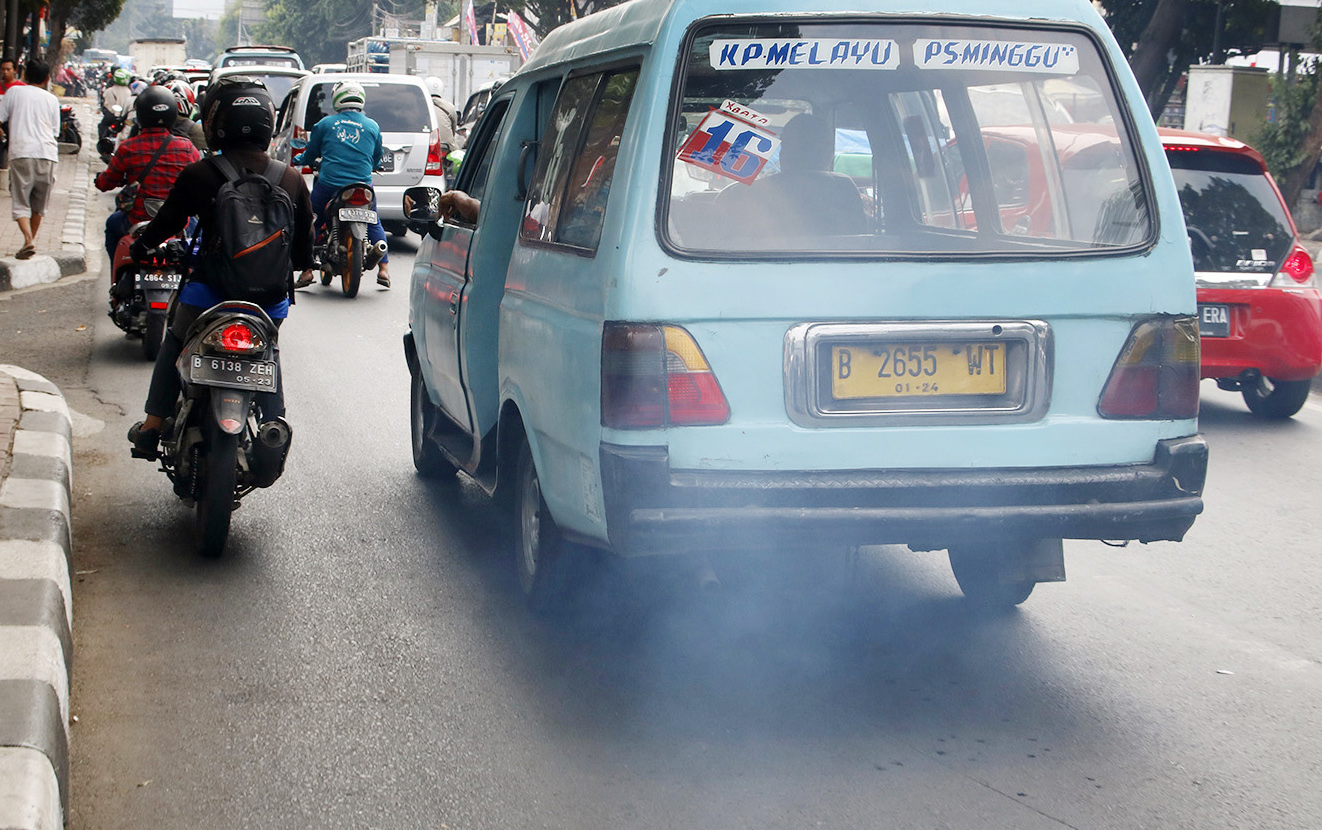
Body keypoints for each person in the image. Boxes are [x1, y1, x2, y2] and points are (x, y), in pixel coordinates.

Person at [127, 77, 315, 458]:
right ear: (267, 121)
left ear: (217, 123)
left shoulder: (202, 173)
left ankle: (152, 425)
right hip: (269, 302)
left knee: (175, 343)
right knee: (268, 354)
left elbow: (167, 222)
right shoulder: (291, 178)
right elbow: (303, 246)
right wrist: (295, 267)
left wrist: (142, 247)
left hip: (208, 296)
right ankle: (272, 425)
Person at [94, 84, 200, 278]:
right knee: (199, 238)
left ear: (141, 115)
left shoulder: (128, 148)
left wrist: (101, 180)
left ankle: (117, 279)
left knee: (112, 225)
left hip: (136, 221)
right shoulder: (187, 148)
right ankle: (194, 279)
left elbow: (105, 183)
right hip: (178, 224)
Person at [295, 80, 392, 288]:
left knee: (310, 219)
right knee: (374, 222)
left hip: (330, 184)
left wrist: (300, 159)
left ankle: (306, 270)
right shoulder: (373, 126)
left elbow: (311, 153)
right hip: (363, 186)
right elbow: (377, 157)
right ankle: (384, 270)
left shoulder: (325, 124)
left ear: (337, 98)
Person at [0, 60, 60, 259]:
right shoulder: (52, 99)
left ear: (24, 76)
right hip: (48, 154)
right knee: (38, 205)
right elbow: (55, 132)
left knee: (20, 200)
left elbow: (1, 117)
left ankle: (29, 240)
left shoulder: (14, 93)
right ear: (47, 78)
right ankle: (29, 242)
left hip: (21, 152)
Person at [425, 76, 461, 153]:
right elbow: (453, 129)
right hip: (447, 147)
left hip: (426, 146)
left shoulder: (420, 105)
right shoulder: (449, 107)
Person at [99, 67, 132, 140]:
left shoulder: (110, 90)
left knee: (102, 127)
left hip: (112, 116)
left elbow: (107, 105)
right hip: (125, 118)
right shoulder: (129, 91)